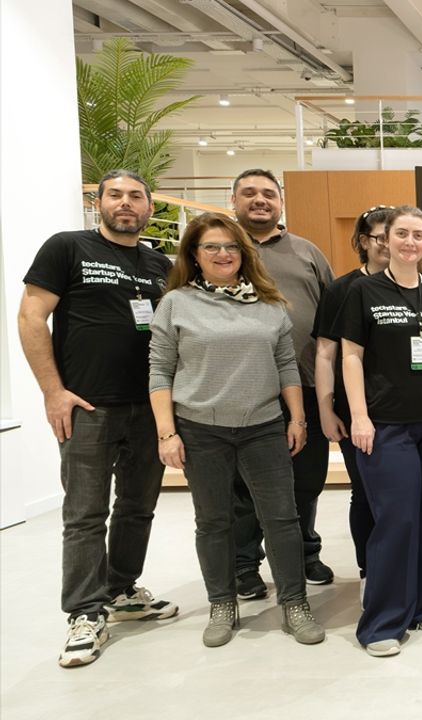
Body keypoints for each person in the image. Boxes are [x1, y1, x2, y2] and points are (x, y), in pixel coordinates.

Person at [18, 170, 177, 668]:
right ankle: (85, 613)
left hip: (148, 406)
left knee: (138, 507)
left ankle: (121, 589)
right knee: (85, 514)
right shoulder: (68, 248)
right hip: (88, 407)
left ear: (149, 207)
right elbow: (30, 316)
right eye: (116, 195)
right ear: (99, 203)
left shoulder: (159, 264)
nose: (125, 203)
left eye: (136, 196)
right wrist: (53, 391)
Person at [148, 212, 324, 648]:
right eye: (212, 246)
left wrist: (297, 418)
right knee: (213, 522)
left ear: (244, 253)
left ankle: (294, 603)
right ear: (195, 254)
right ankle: (222, 603)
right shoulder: (176, 304)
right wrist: (167, 433)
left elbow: (286, 365)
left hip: (263, 426)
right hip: (200, 429)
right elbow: (160, 370)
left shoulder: (269, 304)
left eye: (231, 247)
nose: (223, 254)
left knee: (282, 519)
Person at [339, 205, 422, 657]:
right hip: (386, 426)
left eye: (418, 234)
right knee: (396, 520)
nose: (410, 242)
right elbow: (351, 356)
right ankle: (383, 622)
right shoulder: (363, 291)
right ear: (385, 240)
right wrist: (359, 415)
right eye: (401, 234)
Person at [229, 169, 336, 598]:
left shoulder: (307, 252)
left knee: (305, 478)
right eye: (249, 193)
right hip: (243, 388)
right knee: (243, 484)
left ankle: (304, 553)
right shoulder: (221, 250)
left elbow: (332, 315)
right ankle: (244, 564)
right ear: (234, 200)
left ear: (281, 201)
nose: (260, 200)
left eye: (268, 194)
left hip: (306, 384)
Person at [314, 205, 394, 593]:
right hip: (355, 412)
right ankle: (369, 572)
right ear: (363, 241)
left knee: (400, 496)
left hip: (405, 411)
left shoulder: (415, 285)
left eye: (396, 235)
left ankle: (398, 568)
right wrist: (325, 409)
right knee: (365, 492)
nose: (389, 244)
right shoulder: (341, 289)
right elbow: (325, 354)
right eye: (381, 237)